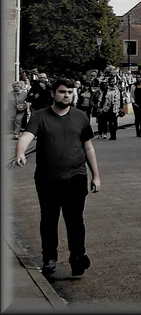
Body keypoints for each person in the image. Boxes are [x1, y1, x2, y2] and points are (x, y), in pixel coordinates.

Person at [13, 78, 101, 278]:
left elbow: (88, 147)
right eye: (62, 92)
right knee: (49, 219)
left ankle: (78, 257)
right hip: (47, 178)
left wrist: (96, 175)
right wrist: (20, 153)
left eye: (70, 92)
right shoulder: (40, 116)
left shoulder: (80, 117)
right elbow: (26, 136)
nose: (67, 95)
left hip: (76, 176)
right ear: (53, 93)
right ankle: (49, 258)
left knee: (75, 220)